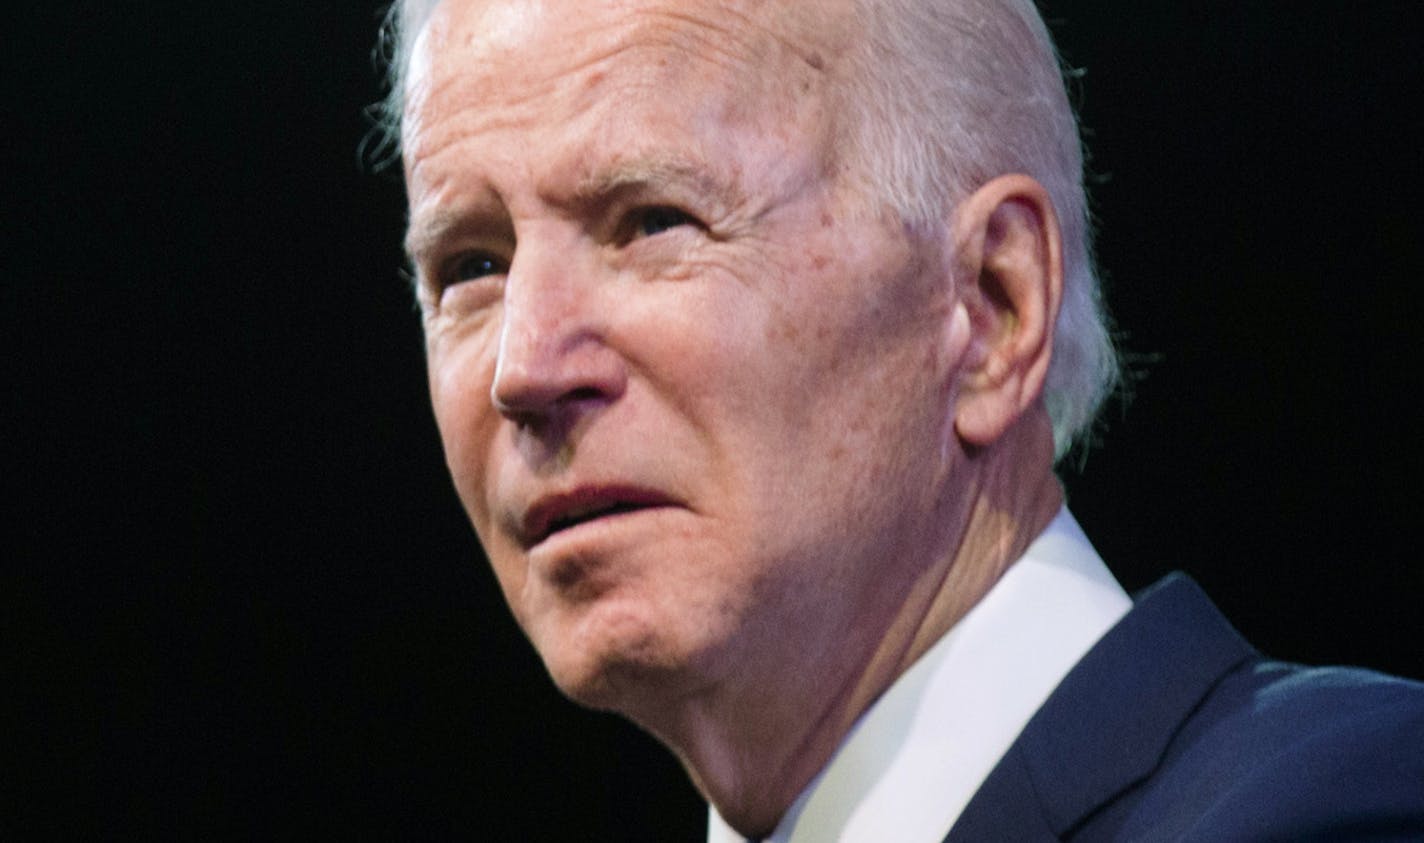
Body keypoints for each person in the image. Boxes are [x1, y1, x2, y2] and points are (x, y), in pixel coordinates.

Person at [377, 0, 1424, 838]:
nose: (522, 369)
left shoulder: (1336, 810)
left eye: (653, 222)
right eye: (468, 267)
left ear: (989, 305)